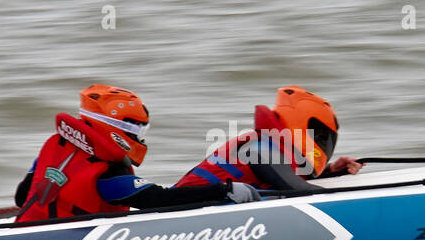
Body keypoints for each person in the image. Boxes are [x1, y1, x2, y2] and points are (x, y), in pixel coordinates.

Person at [15, 84, 260, 222]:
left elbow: (22, 197)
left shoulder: (54, 146)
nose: (140, 138)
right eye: (139, 130)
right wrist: (225, 190)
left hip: (24, 232)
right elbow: (155, 200)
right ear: (119, 129)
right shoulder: (107, 172)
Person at [173, 85, 362, 193]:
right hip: (177, 209)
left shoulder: (274, 148)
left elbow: (283, 177)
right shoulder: (261, 147)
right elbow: (298, 188)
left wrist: (331, 171)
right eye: (322, 137)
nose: (323, 144)